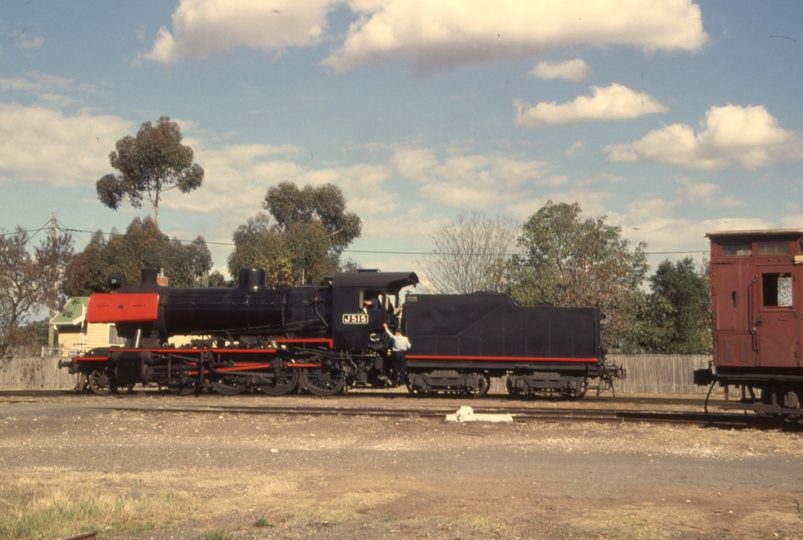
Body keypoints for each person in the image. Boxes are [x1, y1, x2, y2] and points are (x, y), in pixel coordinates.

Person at [383, 323, 411, 387]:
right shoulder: (405, 338)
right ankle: (401, 381)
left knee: (395, 368)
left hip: (396, 354)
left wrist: (385, 327)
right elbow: (409, 346)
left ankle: (394, 382)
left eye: (396, 332)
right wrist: (404, 348)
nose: (395, 333)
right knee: (402, 368)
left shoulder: (395, 338)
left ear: (398, 333)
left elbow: (389, 334)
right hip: (402, 353)